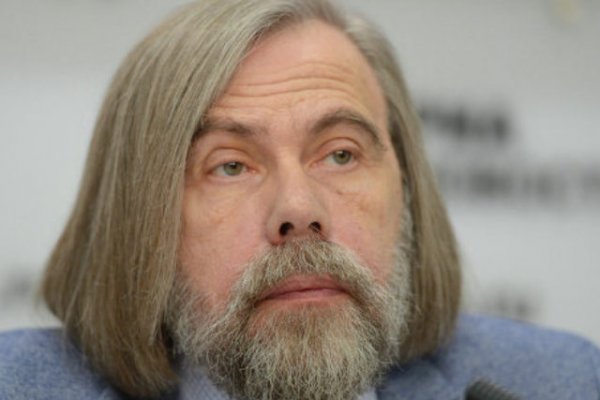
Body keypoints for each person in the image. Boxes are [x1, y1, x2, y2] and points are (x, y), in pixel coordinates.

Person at [1, 0, 599, 399]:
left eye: (340, 154)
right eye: (230, 165)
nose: (298, 210)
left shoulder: (562, 382)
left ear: (406, 188)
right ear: (140, 218)